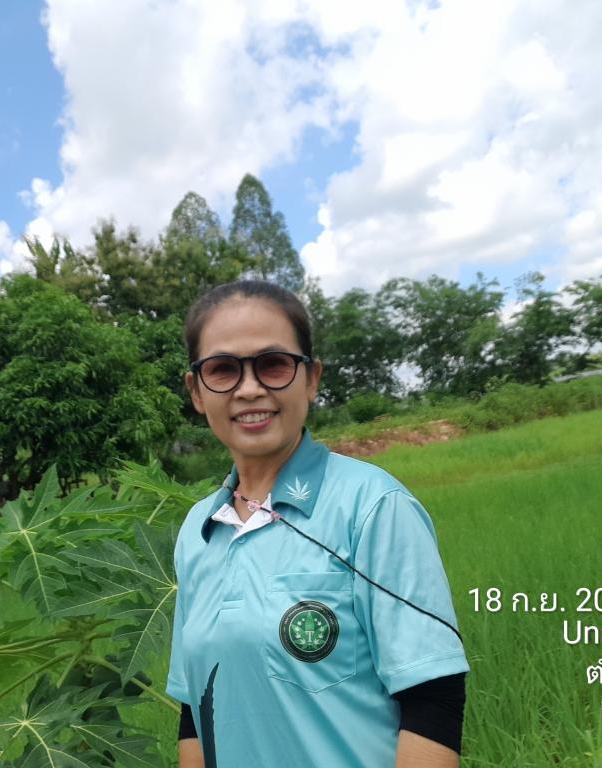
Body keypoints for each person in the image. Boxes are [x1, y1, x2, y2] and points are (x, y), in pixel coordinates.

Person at [167, 280, 469, 767]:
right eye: (223, 369)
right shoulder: (197, 531)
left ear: (311, 378)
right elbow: (193, 709)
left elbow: (432, 698)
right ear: (197, 391)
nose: (250, 388)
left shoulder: (374, 508)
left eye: (273, 364)